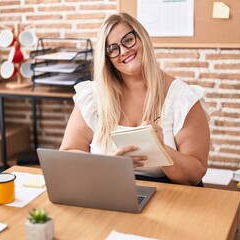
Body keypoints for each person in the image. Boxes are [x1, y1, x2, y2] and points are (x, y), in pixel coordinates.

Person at [60, 13, 210, 186]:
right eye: (113, 49)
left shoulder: (182, 98)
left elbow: (195, 173)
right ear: (107, 58)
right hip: (108, 188)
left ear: (142, 38)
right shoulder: (93, 96)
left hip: (169, 196)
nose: (124, 51)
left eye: (128, 40)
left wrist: (160, 150)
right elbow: (69, 154)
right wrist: (106, 165)